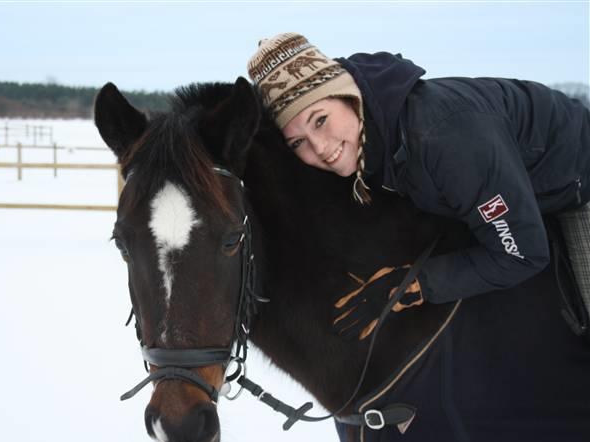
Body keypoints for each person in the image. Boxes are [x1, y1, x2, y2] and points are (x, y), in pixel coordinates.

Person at [246, 33, 590, 338]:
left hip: (580, 184)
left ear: (348, 97)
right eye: (297, 143)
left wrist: (417, 284)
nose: (319, 148)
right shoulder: (375, 139)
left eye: (320, 120)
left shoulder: (444, 139)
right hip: (527, 190)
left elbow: (523, 252)